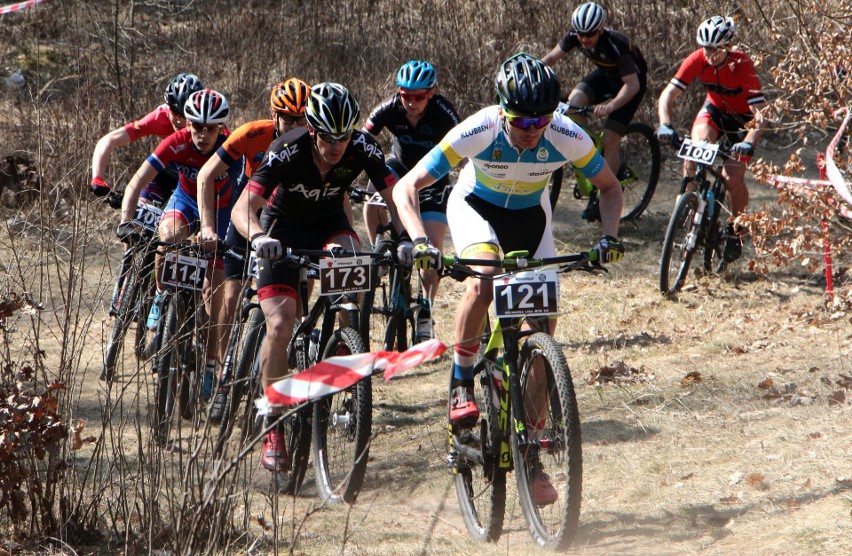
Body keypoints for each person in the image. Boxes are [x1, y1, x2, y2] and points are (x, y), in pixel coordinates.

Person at [392, 53, 624, 505]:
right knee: (484, 281)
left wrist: (610, 234)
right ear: (502, 110)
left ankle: (532, 454)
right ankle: (461, 382)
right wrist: (422, 241)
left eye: (542, 118)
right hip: (476, 209)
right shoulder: (479, 129)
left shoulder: (566, 134)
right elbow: (407, 187)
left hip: (531, 221)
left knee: (541, 341)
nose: (533, 128)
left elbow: (611, 188)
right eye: (521, 119)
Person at [230, 82, 402, 472]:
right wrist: (258, 238)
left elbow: (394, 193)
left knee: (353, 262)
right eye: (328, 137)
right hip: (281, 230)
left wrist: (405, 237)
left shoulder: (362, 148)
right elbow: (244, 208)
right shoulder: (285, 150)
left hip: (329, 225)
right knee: (280, 322)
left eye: (344, 136)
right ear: (312, 130)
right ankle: (273, 421)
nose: (337, 145)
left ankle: (344, 348)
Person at [197, 77, 311, 412]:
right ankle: (220, 371)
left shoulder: (313, 143)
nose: (295, 126)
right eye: (288, 119)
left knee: (296, 308)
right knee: (230, 300)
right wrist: (206, 226)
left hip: (287, 223)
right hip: (248, 221)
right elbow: (206, 175)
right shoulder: (251, 133)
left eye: (302, 119)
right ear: (274, 116)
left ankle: (279, 368)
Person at [118, 89, 238, 400]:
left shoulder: (232, 147)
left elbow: (252, 187)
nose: (202, 134)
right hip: (185, 202)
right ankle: (160, 297)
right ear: (188, 123)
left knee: (215, 294)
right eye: (196, 126)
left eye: (210, 129)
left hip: (222, 211)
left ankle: (211, 367)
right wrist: (126, 219)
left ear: (221, 128)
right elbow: (138, 180)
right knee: (167, 238)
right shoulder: (178, 141)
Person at [362, 60, 461, 341]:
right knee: (373, 196)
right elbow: (360, 141)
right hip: (399, 171)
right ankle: (377, 250)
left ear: (431, 93)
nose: (411, 103)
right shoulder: (388, 108)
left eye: (419, 97)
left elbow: (466, 150)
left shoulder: (444, 112)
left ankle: (426, 310)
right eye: (406, 96)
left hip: (432, 180)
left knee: (430, 253)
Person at [656, 15, 767, 262]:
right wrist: (665, 124)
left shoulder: (742, 64)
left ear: (728, 47)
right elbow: (667, 95)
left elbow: (761, 114)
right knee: (693, 153)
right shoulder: (697, 59)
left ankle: (736, 228)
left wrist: (749, 141)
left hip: (742, 122)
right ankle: (687, 209)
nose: (710, 53)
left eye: (715, 49)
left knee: (731, 178)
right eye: (706, 47)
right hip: (715, 113)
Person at [542, 2, 647, 221]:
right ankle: (588, 146)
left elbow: (632, 85)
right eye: (580, 35)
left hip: (630, 85)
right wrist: (530, 73)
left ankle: (602, 195)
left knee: (610, 139)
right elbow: (550, 59)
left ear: (600, 30)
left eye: (589, 35)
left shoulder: (615, 45)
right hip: (606, 77)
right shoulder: (575, 36)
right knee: (572, 104)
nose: (584, 40)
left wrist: (610, 107)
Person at [91, 73, 204, 207]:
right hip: (170, 170)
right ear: (168, 108)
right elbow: (109, 140)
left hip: (200, 172)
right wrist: (97, 178)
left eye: (186, 114)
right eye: (175, 112)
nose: (180, 120)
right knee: (141, 212)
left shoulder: (208, 123)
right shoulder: (160, 117)